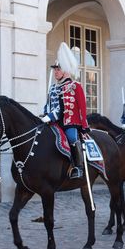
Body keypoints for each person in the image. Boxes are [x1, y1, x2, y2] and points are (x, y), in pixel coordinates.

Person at [42, 42, 88, 179]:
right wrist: (44, 114)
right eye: (55, 69)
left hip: (69, 122)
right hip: (53, 121)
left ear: (66, 70)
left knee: (72, 138)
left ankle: (78, 167)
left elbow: (80, 108)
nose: (55, 71)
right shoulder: (53, 87)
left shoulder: (74, 86)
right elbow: (48, 104)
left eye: (58, 69)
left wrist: (84, 126)